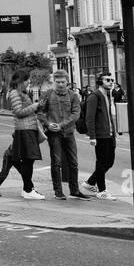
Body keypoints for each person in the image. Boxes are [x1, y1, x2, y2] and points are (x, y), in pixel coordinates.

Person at [0, 70, 44, 199]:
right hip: (24, 129)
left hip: (28, 128)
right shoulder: (15, 93)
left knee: (28, 160)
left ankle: (28, 189)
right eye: (27, 80)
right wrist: (35, 106)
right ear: (20, 81)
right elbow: (18, 112)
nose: (29, 82)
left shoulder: (22, 93)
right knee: (28, 160)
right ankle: (27, 190)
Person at [38, 69, 89, 200]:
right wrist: (47, 124)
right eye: (57, 82)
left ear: (67, 82)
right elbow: (40, 112)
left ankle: (74, 190)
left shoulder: (73, 96)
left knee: (73, 162)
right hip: (53, 133)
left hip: (68, 132)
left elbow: (76, 114)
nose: (60, 84)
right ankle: (58, 191)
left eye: (62, 82)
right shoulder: (47, 94)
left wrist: (61, 125)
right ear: (54, 82)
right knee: (56, 162)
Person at [83, 72, 119, 200]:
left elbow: (110, 117)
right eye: (107, 80)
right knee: (102, 162)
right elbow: (89, 117)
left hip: (109, 134)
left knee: (109, 162)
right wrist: (92, 136)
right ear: (100, 82)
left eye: (112, 80)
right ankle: (102, 190)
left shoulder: (108, 95)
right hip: (100, 135)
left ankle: (90, 182)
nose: (111, 82)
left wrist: (114, 133)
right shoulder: (95, 96)